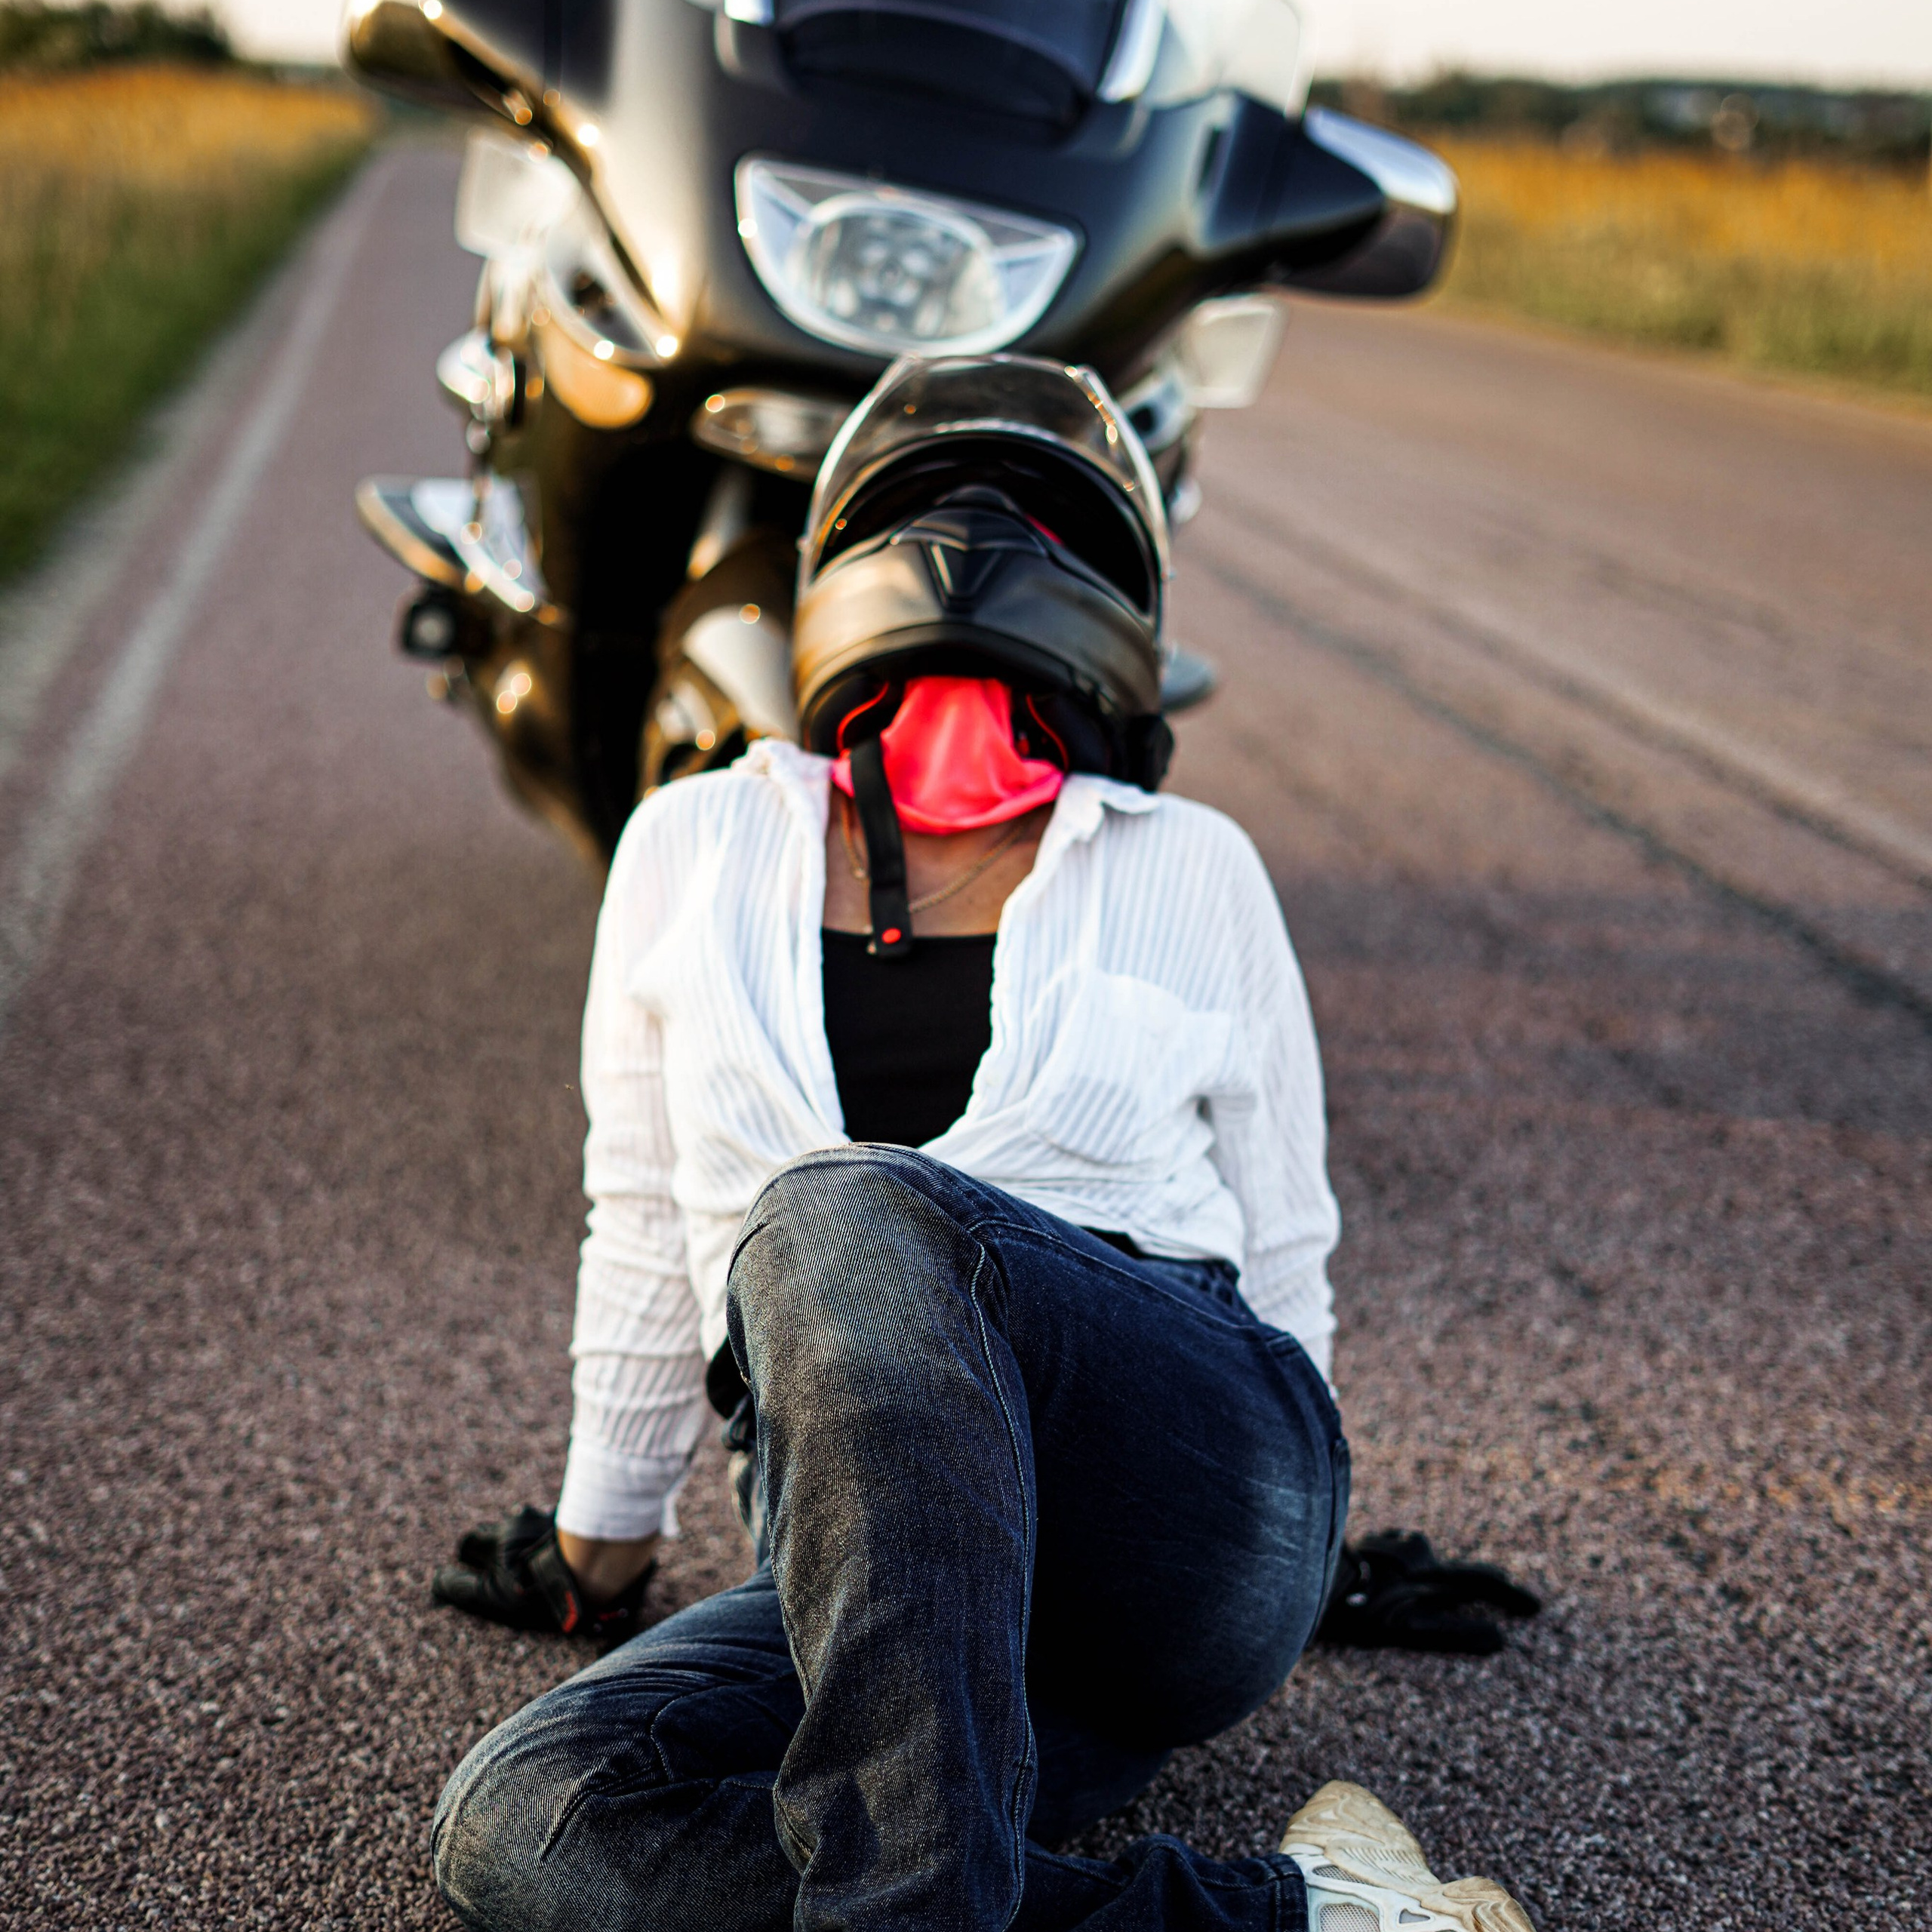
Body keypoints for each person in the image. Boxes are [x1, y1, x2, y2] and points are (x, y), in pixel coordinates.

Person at [426, 358, 1536, 1932]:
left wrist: (1306, 1543)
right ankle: (1315, 1913)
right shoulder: (686, 842)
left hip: (1168, 1496)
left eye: (1022, 522)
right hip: (866, 1542)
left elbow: (1286, 1240)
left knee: (837, 1216)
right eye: (922, 511)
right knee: (525, 1820)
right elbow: (636, 1214)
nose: (966, 548)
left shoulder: (1188, 863)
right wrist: (591, 1549)